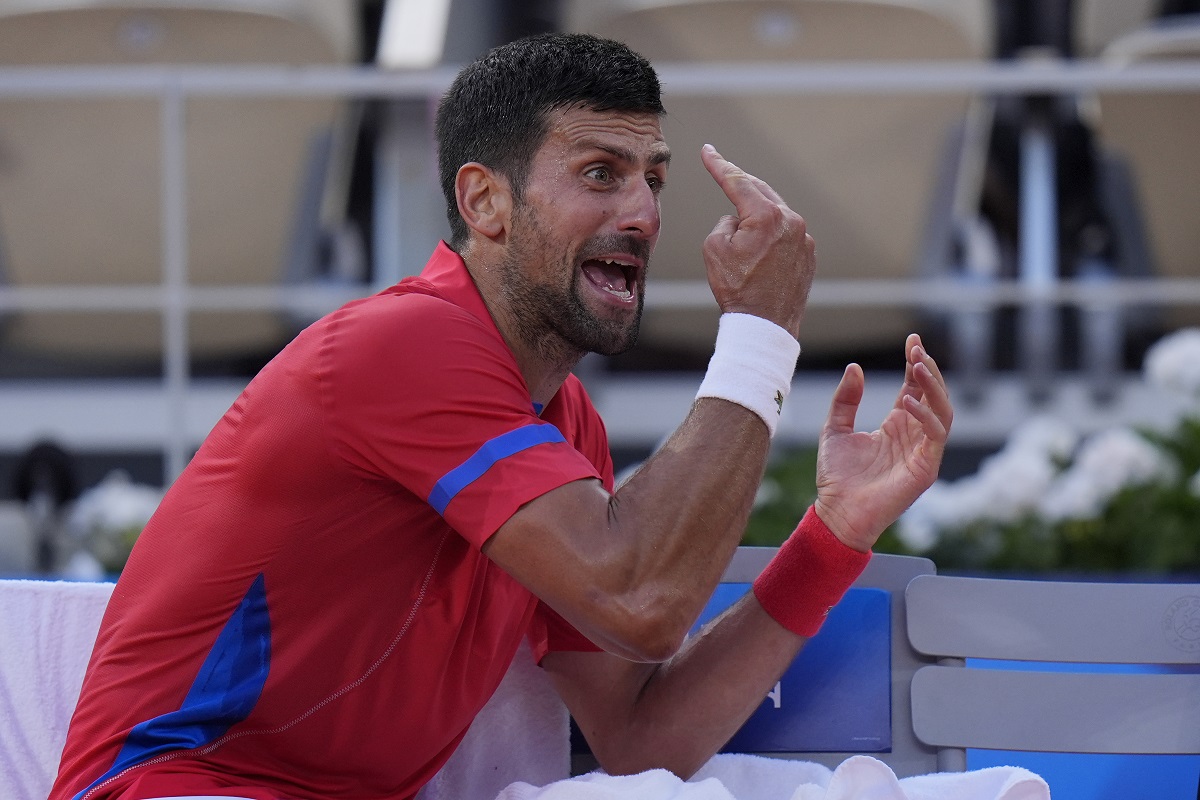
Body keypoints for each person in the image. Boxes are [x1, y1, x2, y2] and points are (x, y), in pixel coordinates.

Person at [50, 32, 953, 800]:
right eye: (601, 173)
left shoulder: (566, 426)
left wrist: (835, 530)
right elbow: (641, 601)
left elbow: (641, 739)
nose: (642, 213)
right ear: (484, 201)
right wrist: (760, 336)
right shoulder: (399, 346)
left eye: (654, 179)